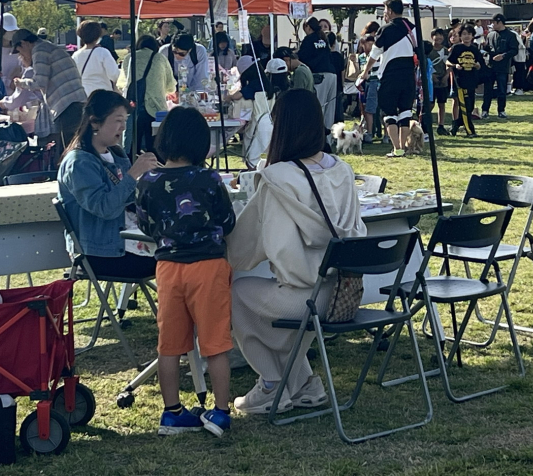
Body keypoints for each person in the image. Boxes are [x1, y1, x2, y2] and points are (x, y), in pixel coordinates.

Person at [227, 89, 365, 415]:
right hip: (345, 292)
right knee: (277, 305)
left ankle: (271, 383)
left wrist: (232, 250)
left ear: (281, 127)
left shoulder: (278, 178)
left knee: (237, 294)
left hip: (308, 294)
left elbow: (259, 245)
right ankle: (304, 384)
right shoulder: (343, 170)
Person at [136, 106, 236, 437]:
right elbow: (227, 221)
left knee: (169, 344)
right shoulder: (209, 179)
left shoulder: (148, 182)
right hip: (208, 267)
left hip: (168, 267)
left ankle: (172, 412)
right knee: (215, 342)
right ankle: (220, 411)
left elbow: (145, 224)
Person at [57, 90, 159, 279]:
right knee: (178, 258)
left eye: (125, 121)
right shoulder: (79, 163)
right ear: (95, 122)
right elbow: (104, 208)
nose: (123, 127)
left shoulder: (116, 153)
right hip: (100, 254)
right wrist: (133, 174)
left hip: (124, 241)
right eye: (118, 120)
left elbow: (128, 198)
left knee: (186, 249)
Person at [357, 0, 417, 158]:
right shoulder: (412, 28)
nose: (384, 14)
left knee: (389, 113)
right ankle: (403, 147)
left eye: (384, 10)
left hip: (390, 75)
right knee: (405, 112)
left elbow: (374, 54)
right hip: (408, 74)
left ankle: (397, 148)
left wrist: (365, 72)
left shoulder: (385, 30)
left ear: (390, 11)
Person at [10, 28, 87, 148]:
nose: (21, 55)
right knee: (77, 144)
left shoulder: (39, 50)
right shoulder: (49, 47)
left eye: (20, 51)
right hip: (78, 101)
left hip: (67, 105)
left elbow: (39, 82)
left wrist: (21, 83)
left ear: (24, 43)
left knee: (69, 148)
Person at [120, 35, 175, 153]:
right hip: (156, 108)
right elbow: (171, 87)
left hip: (134, 106)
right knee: (155, 147)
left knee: (132, 146)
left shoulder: (130, 57)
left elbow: (123, 81)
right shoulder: (160, 58)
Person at [446, 23, 483, 137]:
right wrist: (455, 65)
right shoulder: (457, 48)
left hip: (472, 80)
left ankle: (455, 125)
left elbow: (480, 64)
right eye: (464, 34)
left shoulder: (474, 49)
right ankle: (470, 131)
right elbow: (447, 61)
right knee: (464, 106)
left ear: (473, 36)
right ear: (460, 36)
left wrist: (478, 65)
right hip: (460, 81)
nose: (467, 36)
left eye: (469, 34)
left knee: (469, 107)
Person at [481, 13, 519, 121]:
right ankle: (485, 110)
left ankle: (501, 110)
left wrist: (503, 56)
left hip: (503, 67)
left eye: (493, 22)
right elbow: (487, 49)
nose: (492, 25)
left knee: (502, 90)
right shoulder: (490, 35)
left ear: (500, 22)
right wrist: (484, 48)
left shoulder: (510, 35)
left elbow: (514, 50)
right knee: (487, 90)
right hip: (490, 66)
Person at [73, 20, 121, 97]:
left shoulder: (76, 55)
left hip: (83, 95)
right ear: (98, 34)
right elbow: (114, 75)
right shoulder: (102, 52)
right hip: (102, 94)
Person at [0, 13, 23, 95]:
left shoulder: (18, 50)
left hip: (14, 95)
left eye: (14, 30)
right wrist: (8, 80)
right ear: (0, 31)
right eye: (10, 30)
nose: (13, 33)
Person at [355, 34, 382, 144]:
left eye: (372, 44)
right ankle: (369, 132)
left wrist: (365, 74)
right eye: (367, 44)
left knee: (376, 109)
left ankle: (374, 133)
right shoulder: (361, 57)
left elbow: (373, 70)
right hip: (366, 84)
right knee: (367, 109)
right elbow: (360, 71)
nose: (370, 47)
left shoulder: (377, 56)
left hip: (375, 83)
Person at [429, 28, 450, 136]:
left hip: (442, 80)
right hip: (430, 81)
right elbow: (424, 64)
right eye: (436, 35)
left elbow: (449, 64)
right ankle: (425, 123)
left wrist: (446, 75)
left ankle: (441, 125)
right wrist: (432, 76)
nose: (439, 37)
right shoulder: (428, 49)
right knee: (430, 104)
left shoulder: (445, 50)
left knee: (442, 103)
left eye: (441, 35)